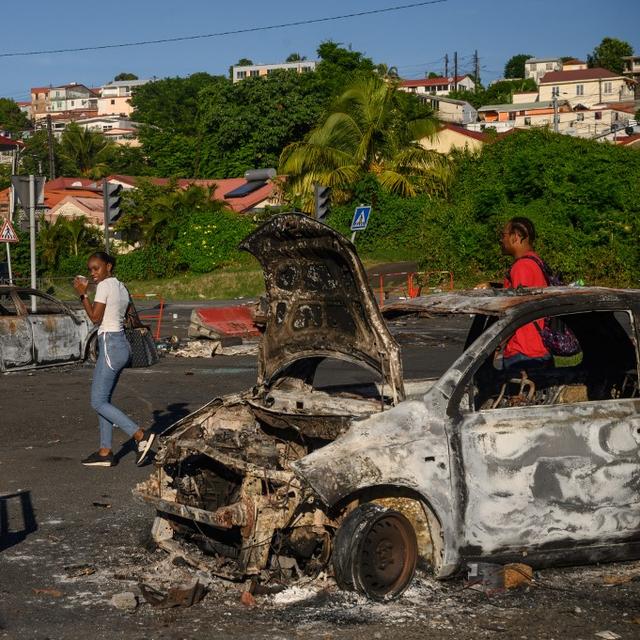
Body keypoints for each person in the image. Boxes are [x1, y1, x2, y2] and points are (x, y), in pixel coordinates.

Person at [73, 252, 155, 467]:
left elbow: (95, 318)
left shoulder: (105, 285)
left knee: (97, 401)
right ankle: (105, 451)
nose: (93, 274)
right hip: (122, 345)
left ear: (108, 266)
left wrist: (83, 294)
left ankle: (140, 435)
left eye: (97, 268)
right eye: (90, 270)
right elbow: (128, 314)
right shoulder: (121, 286)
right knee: (104, 399)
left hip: (110, 344)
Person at [499, 217, 551, 370]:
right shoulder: (535, 262)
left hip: (523, 351)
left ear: (515, 237)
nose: (501, 240)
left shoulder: (522, 267)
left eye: (503, 235)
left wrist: (499, 342)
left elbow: (517, 310)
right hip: (537, 348)